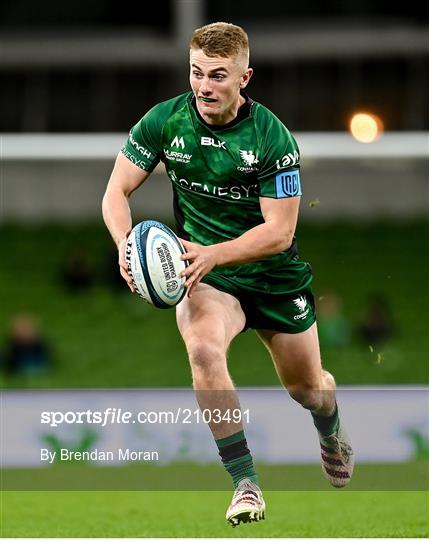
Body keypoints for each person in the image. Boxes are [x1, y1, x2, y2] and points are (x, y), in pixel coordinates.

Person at [102, 22, 354, 527]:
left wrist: (215, 253)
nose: (204, 86)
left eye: (218, 75)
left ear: (245, 78)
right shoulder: (164, 121)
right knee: (201, 348)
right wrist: (126, 248)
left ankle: (330, 431)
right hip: (206, 275)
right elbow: (114, 194)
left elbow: (279, 233)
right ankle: (245, 484)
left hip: (272, 275)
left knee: (309, 390)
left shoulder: (270, 137)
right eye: (196, 73)